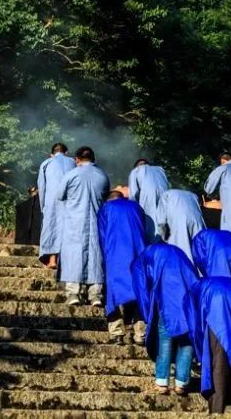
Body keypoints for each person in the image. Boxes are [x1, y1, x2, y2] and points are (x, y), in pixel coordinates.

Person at [131, 242, 200, 395]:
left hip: (167, 299)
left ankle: (162, 382)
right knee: (186, 341)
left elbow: (141, 288)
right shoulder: (178, 252)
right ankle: (181, 383)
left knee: (165, 339)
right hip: (189, 300)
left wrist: (146, 313)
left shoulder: (143, 258)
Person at [186, 275, 231, 413]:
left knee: (218, 367)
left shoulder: (192, 293)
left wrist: (200, 354)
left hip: (217, 317)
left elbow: (195, 327)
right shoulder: (212, 283)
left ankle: (217, 411)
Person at [54, 146, 109, 306]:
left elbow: (60, 195)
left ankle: (73, 294)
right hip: (96, 222)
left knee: (73, 256)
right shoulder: (102, 176)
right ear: (94, 159)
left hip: (74, 223)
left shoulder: (71, 175)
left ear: (76, 159)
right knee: (96, 256)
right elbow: (106, 197)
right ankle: (96, 295)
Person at [97, 189, 148, 345]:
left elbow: (102, 235)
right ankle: (140, 333)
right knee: (139, 290)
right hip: (139, 253)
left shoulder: (106, 208)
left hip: (115, 255)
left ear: (109, 200)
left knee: (114, 292)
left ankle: (117, 332)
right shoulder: (137, 207)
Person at [37, 143, 74, 269]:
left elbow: (42, 187)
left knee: (52, 228)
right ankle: (66, 262)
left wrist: (43, 207)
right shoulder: (73, 162)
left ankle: (52, 260)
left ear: (51, 154)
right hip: (71, 201)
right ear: (66, 153)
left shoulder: (46, 163)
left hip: (51, 201)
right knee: (68, 230)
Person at [156, 189, 206, 263]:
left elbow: (161, 221)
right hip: (197, 219)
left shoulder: (165, 195)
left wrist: (163, 238)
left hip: (180, 220)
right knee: (199, 249)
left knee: (183, 250)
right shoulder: (192, 195)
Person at [128, 158, 169, 241]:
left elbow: (133, 194)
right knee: (165, 222)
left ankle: (154, 244)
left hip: (148, 197)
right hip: (166, 197)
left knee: (151, 223)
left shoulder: (135, 171)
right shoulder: (160, 169)